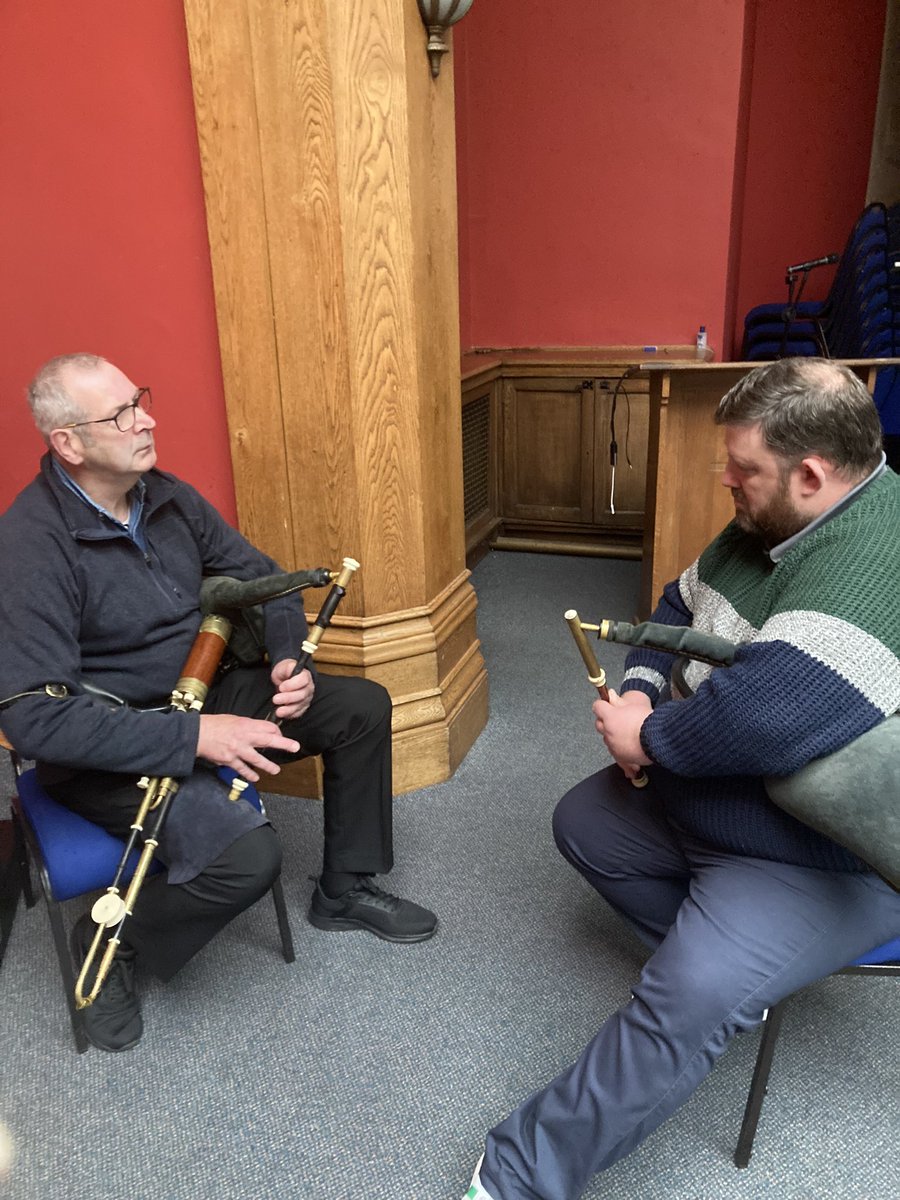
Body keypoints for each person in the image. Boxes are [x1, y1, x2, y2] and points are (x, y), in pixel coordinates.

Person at [465, 358, 900, 1200]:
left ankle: (518, 1174)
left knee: (687, 995)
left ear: (811, 474)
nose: (725, 479)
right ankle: (742, 984)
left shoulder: (875, 557)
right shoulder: (773, 525)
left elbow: (769, 716)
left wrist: (652, 736)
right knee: (584, 823)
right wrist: (636, 689)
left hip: (818, 854)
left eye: (742, 468)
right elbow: (676, 605)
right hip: (718, 801)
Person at [0, 353, 436, 1054]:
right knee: (247, 860)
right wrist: (195, 739)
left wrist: (289, 656)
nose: (147, 418)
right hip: (114, 740)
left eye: (138, 399)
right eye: (121, 414)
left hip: (201, 694)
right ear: (69, 444)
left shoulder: (164, 496)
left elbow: (263, 579)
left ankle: (345, 889)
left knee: (359, 707)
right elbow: (31, 719)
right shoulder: (29, 547)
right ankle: (110, 940)